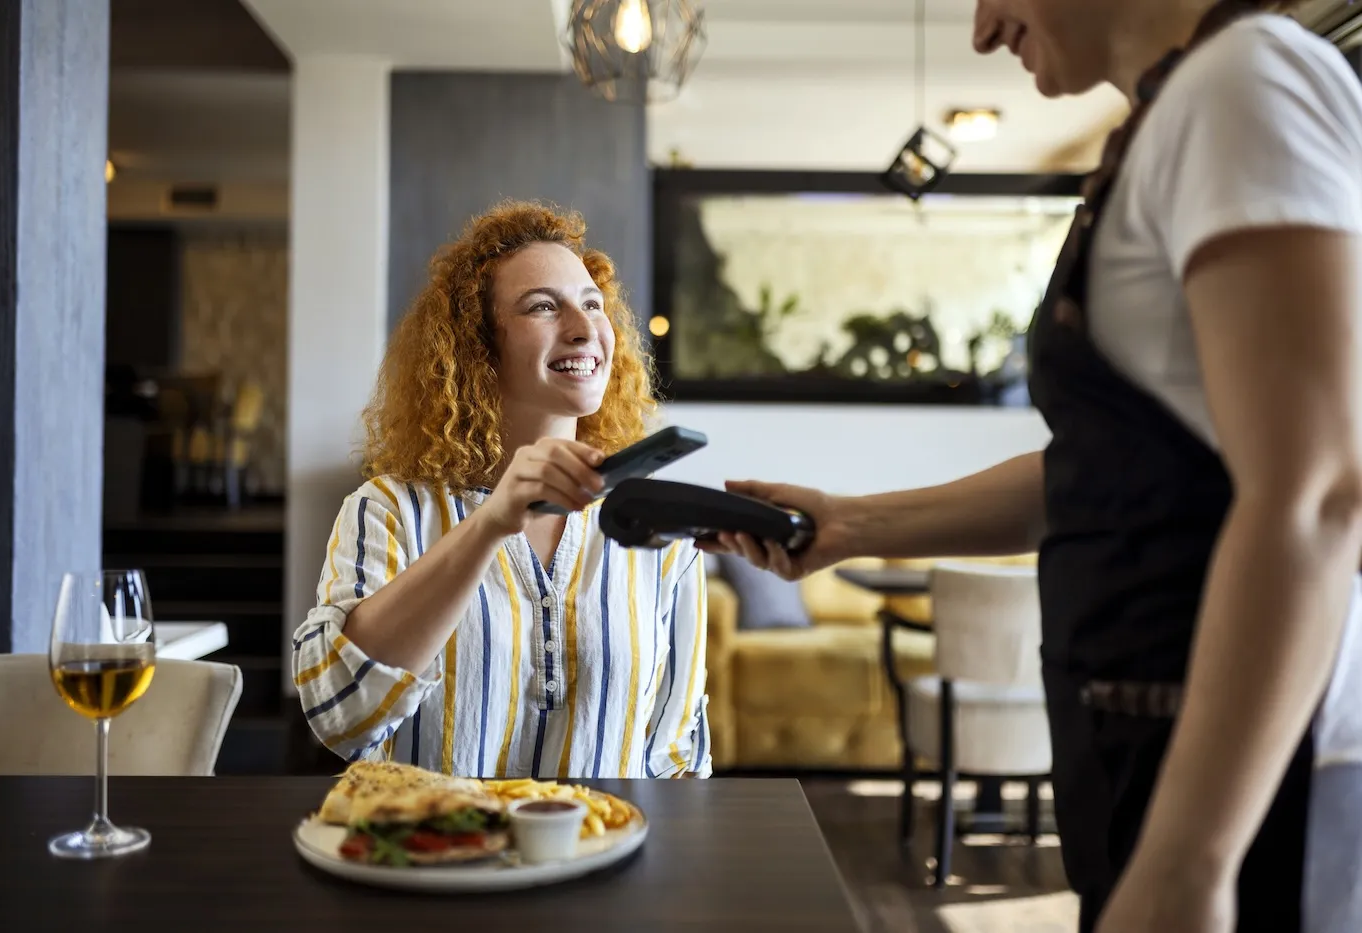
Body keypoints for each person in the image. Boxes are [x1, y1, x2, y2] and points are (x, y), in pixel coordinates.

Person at [702, 1, 1362, 930]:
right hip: (1141, 755)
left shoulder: (1244, 83)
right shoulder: (1176, 117)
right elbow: (1101, 473)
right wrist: (851, 524)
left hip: (1247, 793)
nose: (978, 29)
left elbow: (1320, 489)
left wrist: (1188, 861)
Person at [291, 201, 711, 781]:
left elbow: (676, 759)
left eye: (593, 305)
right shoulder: (388, 510)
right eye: (544, 306)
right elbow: (340, 715)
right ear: (477, 344)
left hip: (602, 860)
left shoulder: (661, 534)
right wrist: (490, 522)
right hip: (434, 862)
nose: (586, 328)